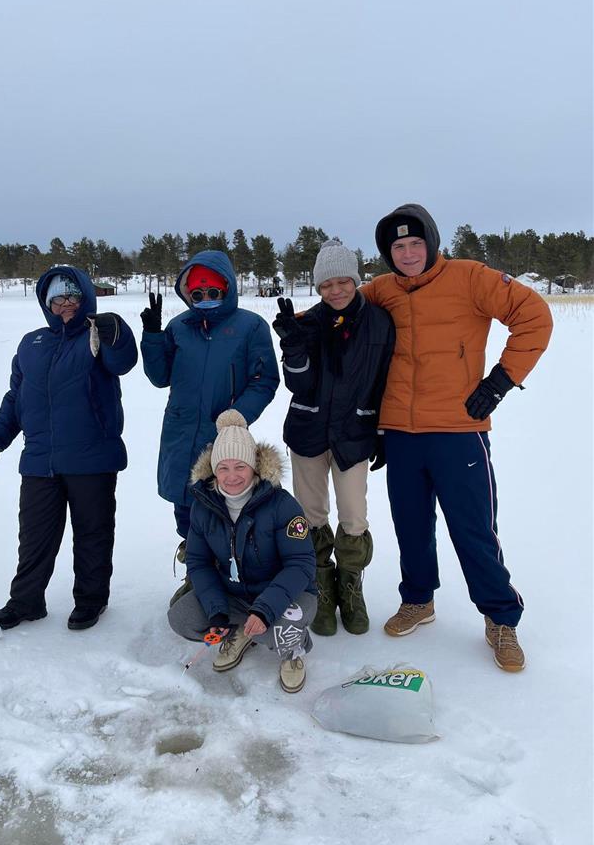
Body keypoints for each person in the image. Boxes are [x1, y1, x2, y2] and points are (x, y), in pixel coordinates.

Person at [360, 203, 553, 671]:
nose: (407, 254)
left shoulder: (470, 278)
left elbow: (535, 315)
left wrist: (500, 381)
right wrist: (297, 326)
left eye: (415, 243)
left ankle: (501, 618)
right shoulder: (381, 290)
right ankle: (418, 600)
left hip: (458, 430)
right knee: (411, 526)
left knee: (473, 529)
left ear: (431, 243)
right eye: (397, 247)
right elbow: (338, 308)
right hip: (401, 434)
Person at [0, 265, 138, 632]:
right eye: (58, 297)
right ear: (46, 302)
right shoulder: (31, 344)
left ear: (85, 298)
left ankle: (91, 601)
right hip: (39, 460)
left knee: (92, 534)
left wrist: (119, 334)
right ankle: (26, 601)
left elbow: (122, 361)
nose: (66, 303)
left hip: (91, 457)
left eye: (73, 296)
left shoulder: (97, 334)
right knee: (34, 537)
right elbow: (16, 399)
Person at [272, 239, 395, 637]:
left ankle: (350, 585)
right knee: (310, 515)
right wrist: (293, 345)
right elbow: (299, 384)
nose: (336, 291)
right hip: (308, 431)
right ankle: (321, 586)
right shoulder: (306, 322)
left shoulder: (380, 322)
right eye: (327, 285)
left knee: (354, 515)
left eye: (343, 281)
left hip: (354, 433)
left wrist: (381, 432)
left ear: (356, 280)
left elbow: (384, 382)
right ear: (318, 287)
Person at [140, 250, 279, 589]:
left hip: (224, 437)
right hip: (179, 433)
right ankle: (196, 575)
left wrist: (238, 414)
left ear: (227, 288)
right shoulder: (178, 327)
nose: (204, 300)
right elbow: (160, 377)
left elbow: (265, 380)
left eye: (212, 292)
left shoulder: (250, 327)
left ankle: (226, 578)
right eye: (197, 294)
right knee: (184, 507)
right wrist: (153, 336)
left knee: (223, 509)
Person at [168, 410, 317, 692]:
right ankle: (239, 630)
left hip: (286, 595)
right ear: (213, 470)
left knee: (283, 626)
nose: (232, 476)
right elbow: (199, 563)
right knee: (181, 618)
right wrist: (217, 612)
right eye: (223, 467)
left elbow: (301, 565)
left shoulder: (282, 505)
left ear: (254, 467)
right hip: (235, 594)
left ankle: (292, 651)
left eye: (240, 466)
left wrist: (265, 609)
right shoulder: (204, 506)